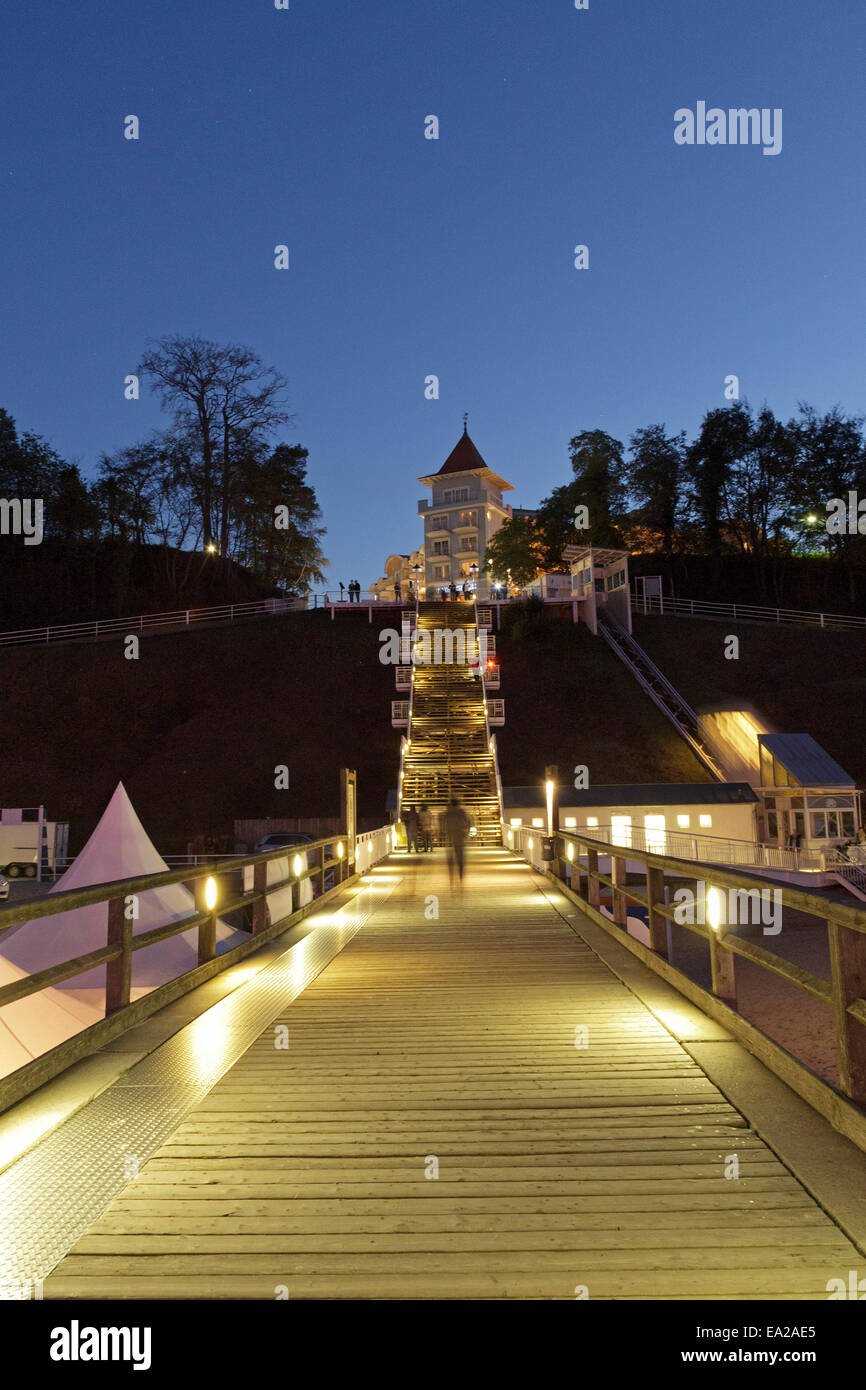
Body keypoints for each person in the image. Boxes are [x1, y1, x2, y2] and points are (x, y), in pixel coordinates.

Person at [441, 797, 470, 888]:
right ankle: (461, 878)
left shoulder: (447, 813)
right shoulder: (462, 812)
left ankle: (451, 879)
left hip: (450, 837)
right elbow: (468, 822)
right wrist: (467, 832)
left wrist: (442, 833)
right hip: (460, 837)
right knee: (460, 859)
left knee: (450, 859)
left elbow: (442, 824)